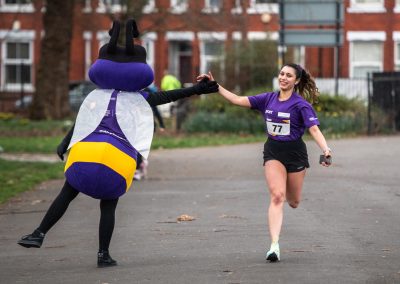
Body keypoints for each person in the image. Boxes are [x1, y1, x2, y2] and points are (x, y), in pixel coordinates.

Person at [17, 19, 218, 268]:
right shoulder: (141, 98)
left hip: (86, 156)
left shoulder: (95, 96)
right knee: (108, 205)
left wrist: (64, 143)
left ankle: (38, 233)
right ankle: (103, 254)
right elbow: (168, 96)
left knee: (67, 193)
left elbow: (83, 123)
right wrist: (198, 89)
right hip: (117, 161)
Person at [197, 63, 332, 262]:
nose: (284, 77)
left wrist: (326, 149)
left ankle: (289, 201)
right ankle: (274, 246)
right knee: (277, 196)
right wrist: (216, 86)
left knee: (293, 202)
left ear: (296, 81)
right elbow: (237, 99)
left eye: (289, 75)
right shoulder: (267, 99)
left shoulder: (301, 105)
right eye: (281, 73)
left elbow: (313, 129)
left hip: (295, 154)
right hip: (273, 151)